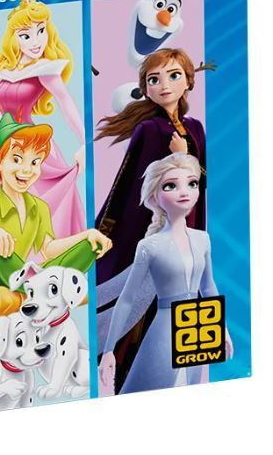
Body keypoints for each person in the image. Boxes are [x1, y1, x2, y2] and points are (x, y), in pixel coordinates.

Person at [0, 0, 85, 236]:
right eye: (26, 35)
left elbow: (66, 102)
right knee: (5, 212)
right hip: (3, 146)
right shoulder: (6, 70)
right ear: (14, 38)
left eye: (41, 31)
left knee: (39, 206)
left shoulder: (45, 69)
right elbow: (7, 116)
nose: (36, 41)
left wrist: (86, 142)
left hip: (32, 146)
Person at [99, 154, 231, 394]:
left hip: (199, 326)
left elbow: (208, 287)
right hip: (165, 328)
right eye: (171, 185)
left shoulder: (202, 239)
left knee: (191, 385)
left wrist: (221, 328)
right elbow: (127, 298)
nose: (184, 192)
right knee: (155, 386)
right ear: (154, 197)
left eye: (192, 183)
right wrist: (109, 349)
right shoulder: (150, 246)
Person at [0, 113, 111, 315]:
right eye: (17, 159)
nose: (26, 170)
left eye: (35, 162)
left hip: (25, 283)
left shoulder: (39, 207)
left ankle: (24, 297)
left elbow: (49, 249)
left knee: (89, 245)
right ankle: (52, 292)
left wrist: (86, 235)